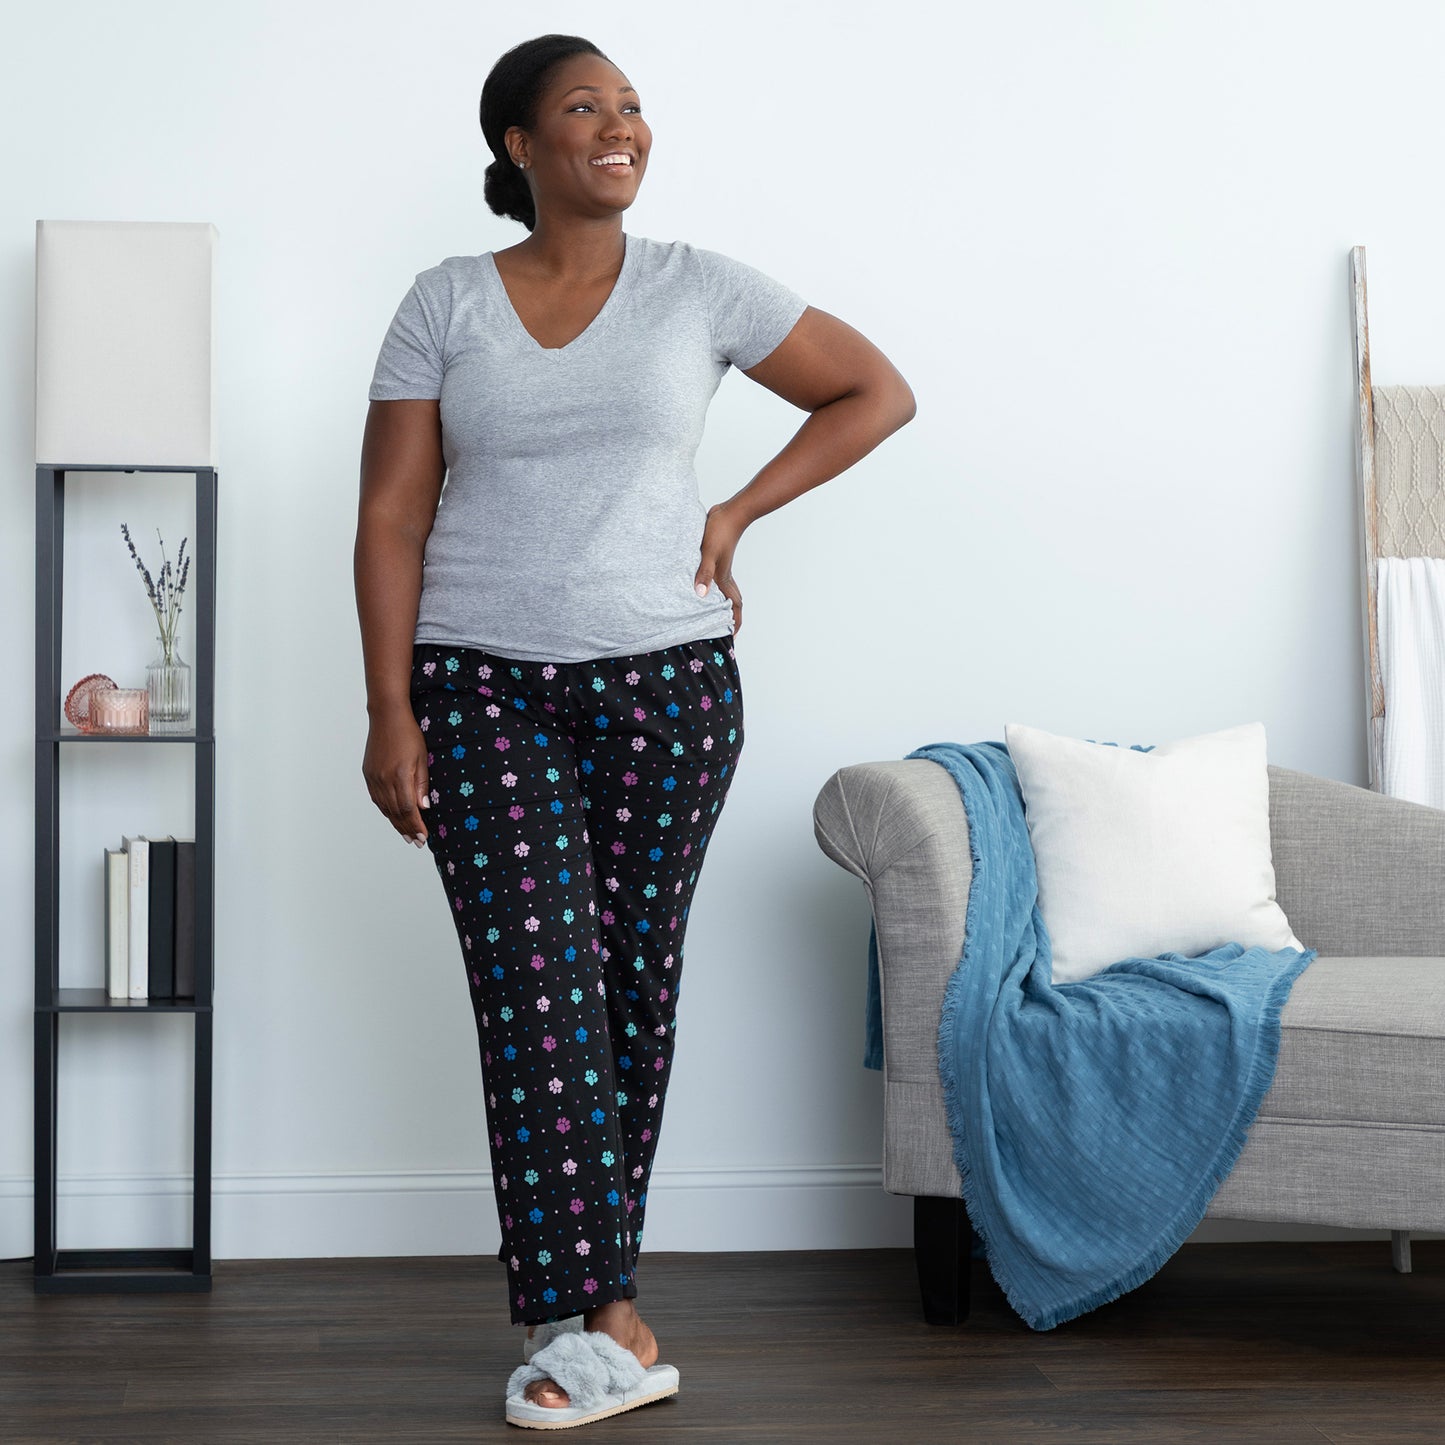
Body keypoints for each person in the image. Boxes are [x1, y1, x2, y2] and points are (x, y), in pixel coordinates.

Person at [354, 31, 915, 1428]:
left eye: (631, 107)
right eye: (582, 109)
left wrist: (732, 512)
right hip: (479, 685)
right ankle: (600, 1312)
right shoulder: (444, 304)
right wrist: (386, 708)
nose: (619, 126)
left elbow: (874, 390)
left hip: (667, 688)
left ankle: (593, 1302)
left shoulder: (698, 288)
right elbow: (390, 516)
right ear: (517, 147)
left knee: (621, 989)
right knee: (533, 983)